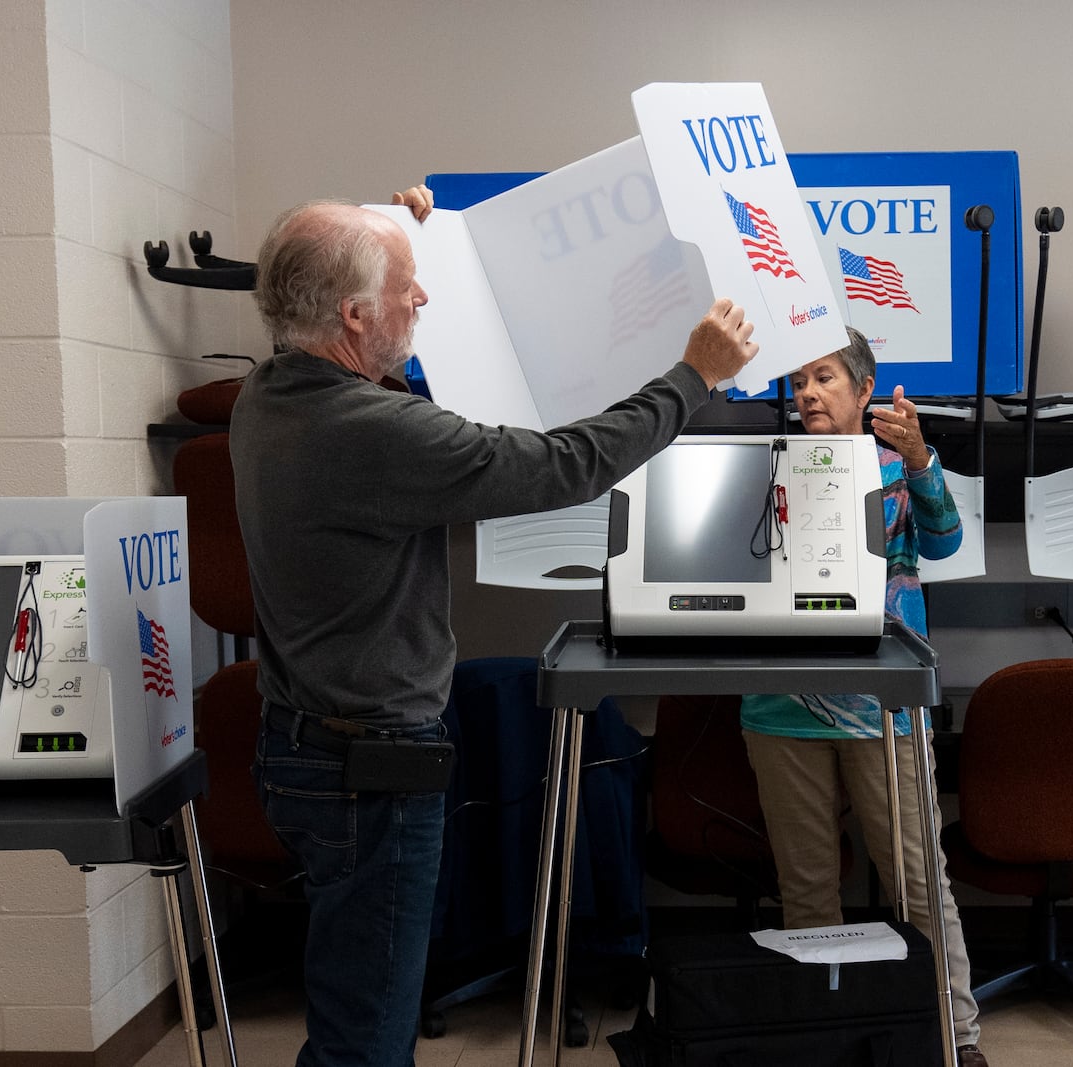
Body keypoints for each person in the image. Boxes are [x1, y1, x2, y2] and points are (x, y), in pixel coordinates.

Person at [230, 183, 758, 1067]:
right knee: (365, 1035)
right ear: (355, 316)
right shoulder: (373, 433)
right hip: (373, 773)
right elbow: (568, 463)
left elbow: (337, 309)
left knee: (354, 999)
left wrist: (417, 243)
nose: (422, 299)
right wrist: (692, 375)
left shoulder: (271, 393)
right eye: (409, 286)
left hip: (302, 752)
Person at [739, 326, 987, 1067]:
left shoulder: (898, 470)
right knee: (808, 888)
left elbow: (943, 546)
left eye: (824, 377)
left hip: (886, 704)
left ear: (865, 389)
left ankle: (956, 1036)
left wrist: (920, 460)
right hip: (781, 705)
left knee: (916, 879)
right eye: (798, 382)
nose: (807, 392)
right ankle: (826, 1035)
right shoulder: (765, 472)